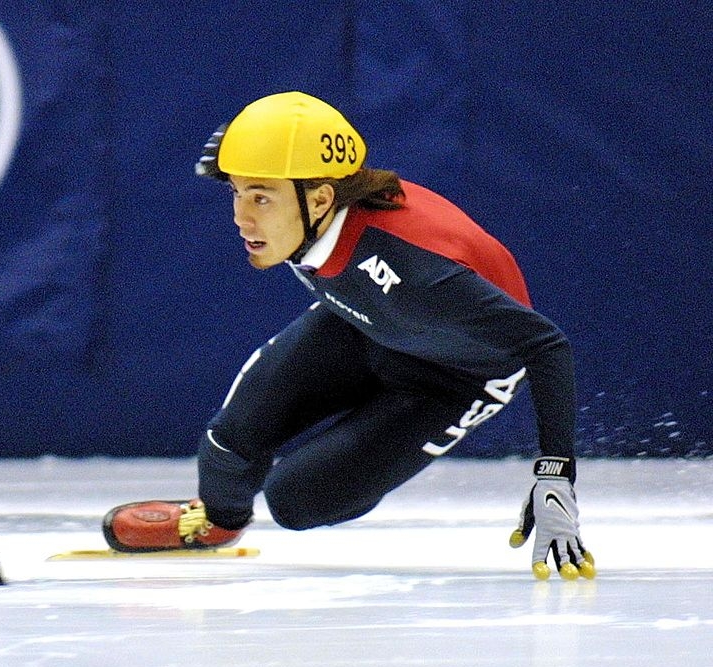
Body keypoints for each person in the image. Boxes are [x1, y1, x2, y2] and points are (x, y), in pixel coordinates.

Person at [103, 91, 594, 581]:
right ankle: (217, 522)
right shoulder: (315, 212)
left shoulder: (412, 266)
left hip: (455, 376)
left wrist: (554, 474)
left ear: (319, 199)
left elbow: (545, 344)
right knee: (227, 447)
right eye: (235, 192)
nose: (241, 217)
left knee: (298, 500)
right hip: (372, 324)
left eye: (260, 197)